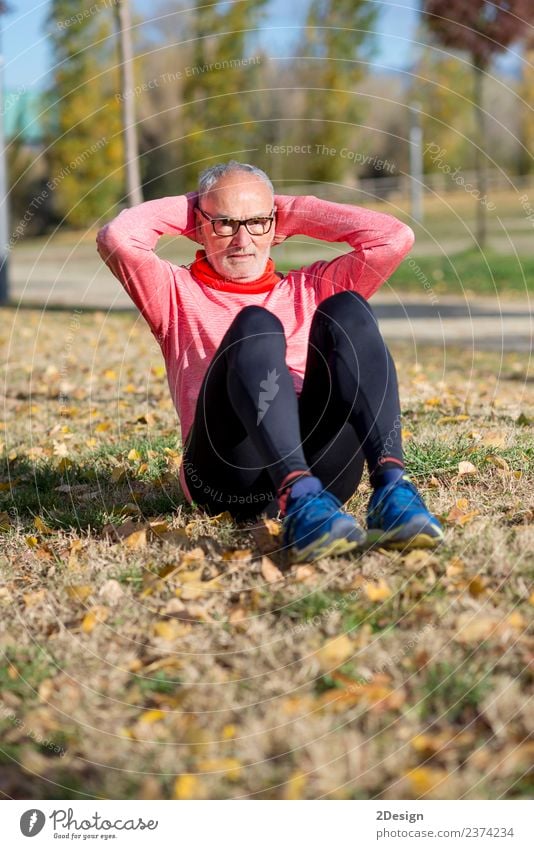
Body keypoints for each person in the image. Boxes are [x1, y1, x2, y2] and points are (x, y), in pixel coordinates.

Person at [96, 161, 443, 562]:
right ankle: (298, 497)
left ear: (275, 226)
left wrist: (289, 210)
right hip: (229, 476)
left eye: (257, 222)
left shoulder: (310, 287)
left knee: (348, 308)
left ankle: (391, 488)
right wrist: (202, 206)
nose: (242, 239)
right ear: (199, 228)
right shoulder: (174, 292)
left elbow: (393, 238)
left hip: (324, 471)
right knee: (256, 324)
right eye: (225, 224)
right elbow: (118, 237)